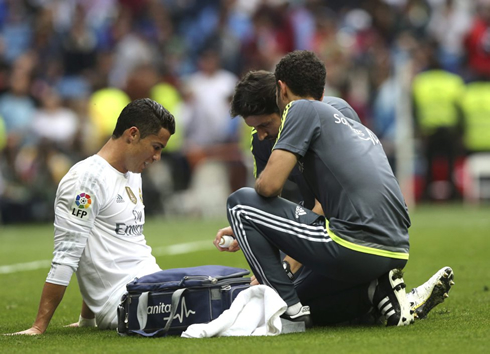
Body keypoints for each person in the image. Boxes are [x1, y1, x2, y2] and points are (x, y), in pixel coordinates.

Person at [214, 51, 453, 328]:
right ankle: (377, 295)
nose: (262, 134)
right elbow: (276, 206)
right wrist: (251, 229)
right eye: (254, 129)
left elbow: (270, 190)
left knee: (241, 205)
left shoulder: (304, 109)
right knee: (305, 297)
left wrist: (286, 263)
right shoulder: (326, 113)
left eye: (265, 124)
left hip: (348, 235)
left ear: (282, 96)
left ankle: (288, 313)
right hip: (392, 244)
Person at [10, 98, 175, 335]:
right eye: (156, 147)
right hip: (125, 302)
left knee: (215, 288)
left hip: (151, 283)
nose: (157, 157)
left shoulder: (132, 171)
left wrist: (87, 319)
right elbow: (67, 255)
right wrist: (38, 327)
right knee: (210, 308)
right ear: (133, 134)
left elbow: (105, 243)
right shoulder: (86, 181)